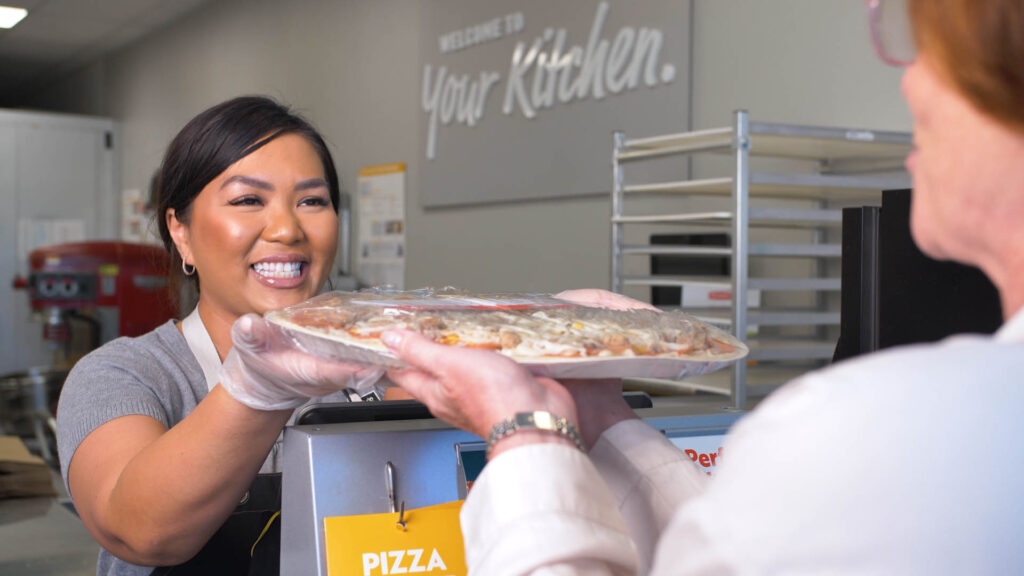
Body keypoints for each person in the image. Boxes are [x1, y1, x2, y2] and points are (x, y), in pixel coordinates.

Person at [378, 1, 1024, 573]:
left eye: (936, 47)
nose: (909, 81)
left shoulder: (868, 436)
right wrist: (603, 419)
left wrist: (523, 433)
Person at [56, 96, 388, 575]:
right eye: (248, 200)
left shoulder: (372, 379)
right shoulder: (125, 376)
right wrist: (260, 389)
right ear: (181, 231)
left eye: (312, 201)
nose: (287, 228)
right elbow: (137, 530)